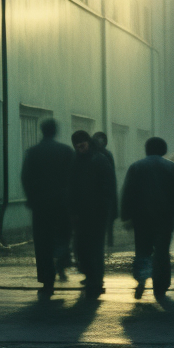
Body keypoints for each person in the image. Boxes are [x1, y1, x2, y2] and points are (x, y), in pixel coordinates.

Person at [120, 136, 174, 299]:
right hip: (164, 218)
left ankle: (141, 279)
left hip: (141, 218)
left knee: (143, 250)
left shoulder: (136, 167)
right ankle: (161, 286)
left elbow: (127, 192)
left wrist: (126, 216)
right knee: (162, 252)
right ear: (163, 150)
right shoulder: (171, 167)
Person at [21, 119, 74, 297]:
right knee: (63, 236)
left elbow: (26, 178)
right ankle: (62, 259)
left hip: (41, 204)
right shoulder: (66, 151)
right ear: (56, 131)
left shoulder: (34, 152)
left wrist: (31, 198)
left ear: (42, 131)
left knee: (43, 243)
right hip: (63, 203)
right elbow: (75, 177)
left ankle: (47, 281)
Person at [70, 130, 113, 299]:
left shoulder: (98, 160)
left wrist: (103, 210)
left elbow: (107, 188)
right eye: (78, 147)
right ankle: (92, 279)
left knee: (93, 248)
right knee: (85, 248)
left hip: (95, 214)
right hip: (84, 213)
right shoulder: (95, 160)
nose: (81, 149)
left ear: (88, 143)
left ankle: (95, 281)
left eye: (83, 145)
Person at [92, 131, 119, 247]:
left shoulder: (108, 154)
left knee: (108, 218)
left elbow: (112, 174)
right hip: (95, 191)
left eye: (102, 140)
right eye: (98, 140)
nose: (100, 142)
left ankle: (109, 240)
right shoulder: (91, 154)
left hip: (106, 190)